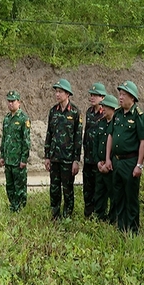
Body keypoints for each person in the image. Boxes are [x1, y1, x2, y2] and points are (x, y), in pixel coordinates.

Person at [105, 81, 144, 233]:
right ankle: (121, 227)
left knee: (131, 197)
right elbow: (110, 136)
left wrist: (139, 165)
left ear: (132, 98)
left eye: (124, 95)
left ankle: (133, 229)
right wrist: (108, 158)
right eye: (120, 94)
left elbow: (143, 141)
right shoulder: (117, 114)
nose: (120, 97)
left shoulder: (139, 116)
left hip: (130, 162)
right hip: (116, 161)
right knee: (119, 196)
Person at [44, 78, 83, 219]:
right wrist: (47, 156)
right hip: (54, 157)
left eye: (60, 92)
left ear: (68, 94)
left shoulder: (75, 113)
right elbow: (49, 134)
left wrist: (76, 160)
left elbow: (78, 138)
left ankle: (67, 216)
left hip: (68, 159)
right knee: (54, 189)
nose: (57, 94)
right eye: (56, 91)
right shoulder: (53, 111)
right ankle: (55, 215)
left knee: (68, 189)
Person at [0, 90, 31, 212]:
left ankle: (21, 208)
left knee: (20, 186)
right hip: (8, 160)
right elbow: (4, 138)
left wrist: (24, 159)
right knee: (10, 186)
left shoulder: (24, 119)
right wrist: (2, 155)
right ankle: (13, 206)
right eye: (9, 101)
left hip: (18, 161)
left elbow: (26, 141)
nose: (10, 104)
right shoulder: (7, 119)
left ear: (19, 102)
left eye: (13, 101)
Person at [92, 94, 119, 223]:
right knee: (99, 193)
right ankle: (99, 217)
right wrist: (98, 162)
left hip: (111, 166)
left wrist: (108, 164)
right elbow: (95, 144)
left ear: (112, 109)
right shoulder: (100, 123)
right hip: (100, 165)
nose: (103, 109)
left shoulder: (117, 125)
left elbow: (117, 147)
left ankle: (113, 219)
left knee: (113, 194)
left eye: (106, 107)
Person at [82, 83, 106, 217]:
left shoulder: (106, 113)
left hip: (99, 159)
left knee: (99, 189)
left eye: (95, 95)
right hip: (88, 158)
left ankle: (99, 215)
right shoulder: (89, 112)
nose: (92, 97)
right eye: (91, 95)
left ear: (102, 97)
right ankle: (88, 214)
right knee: (88, 188)